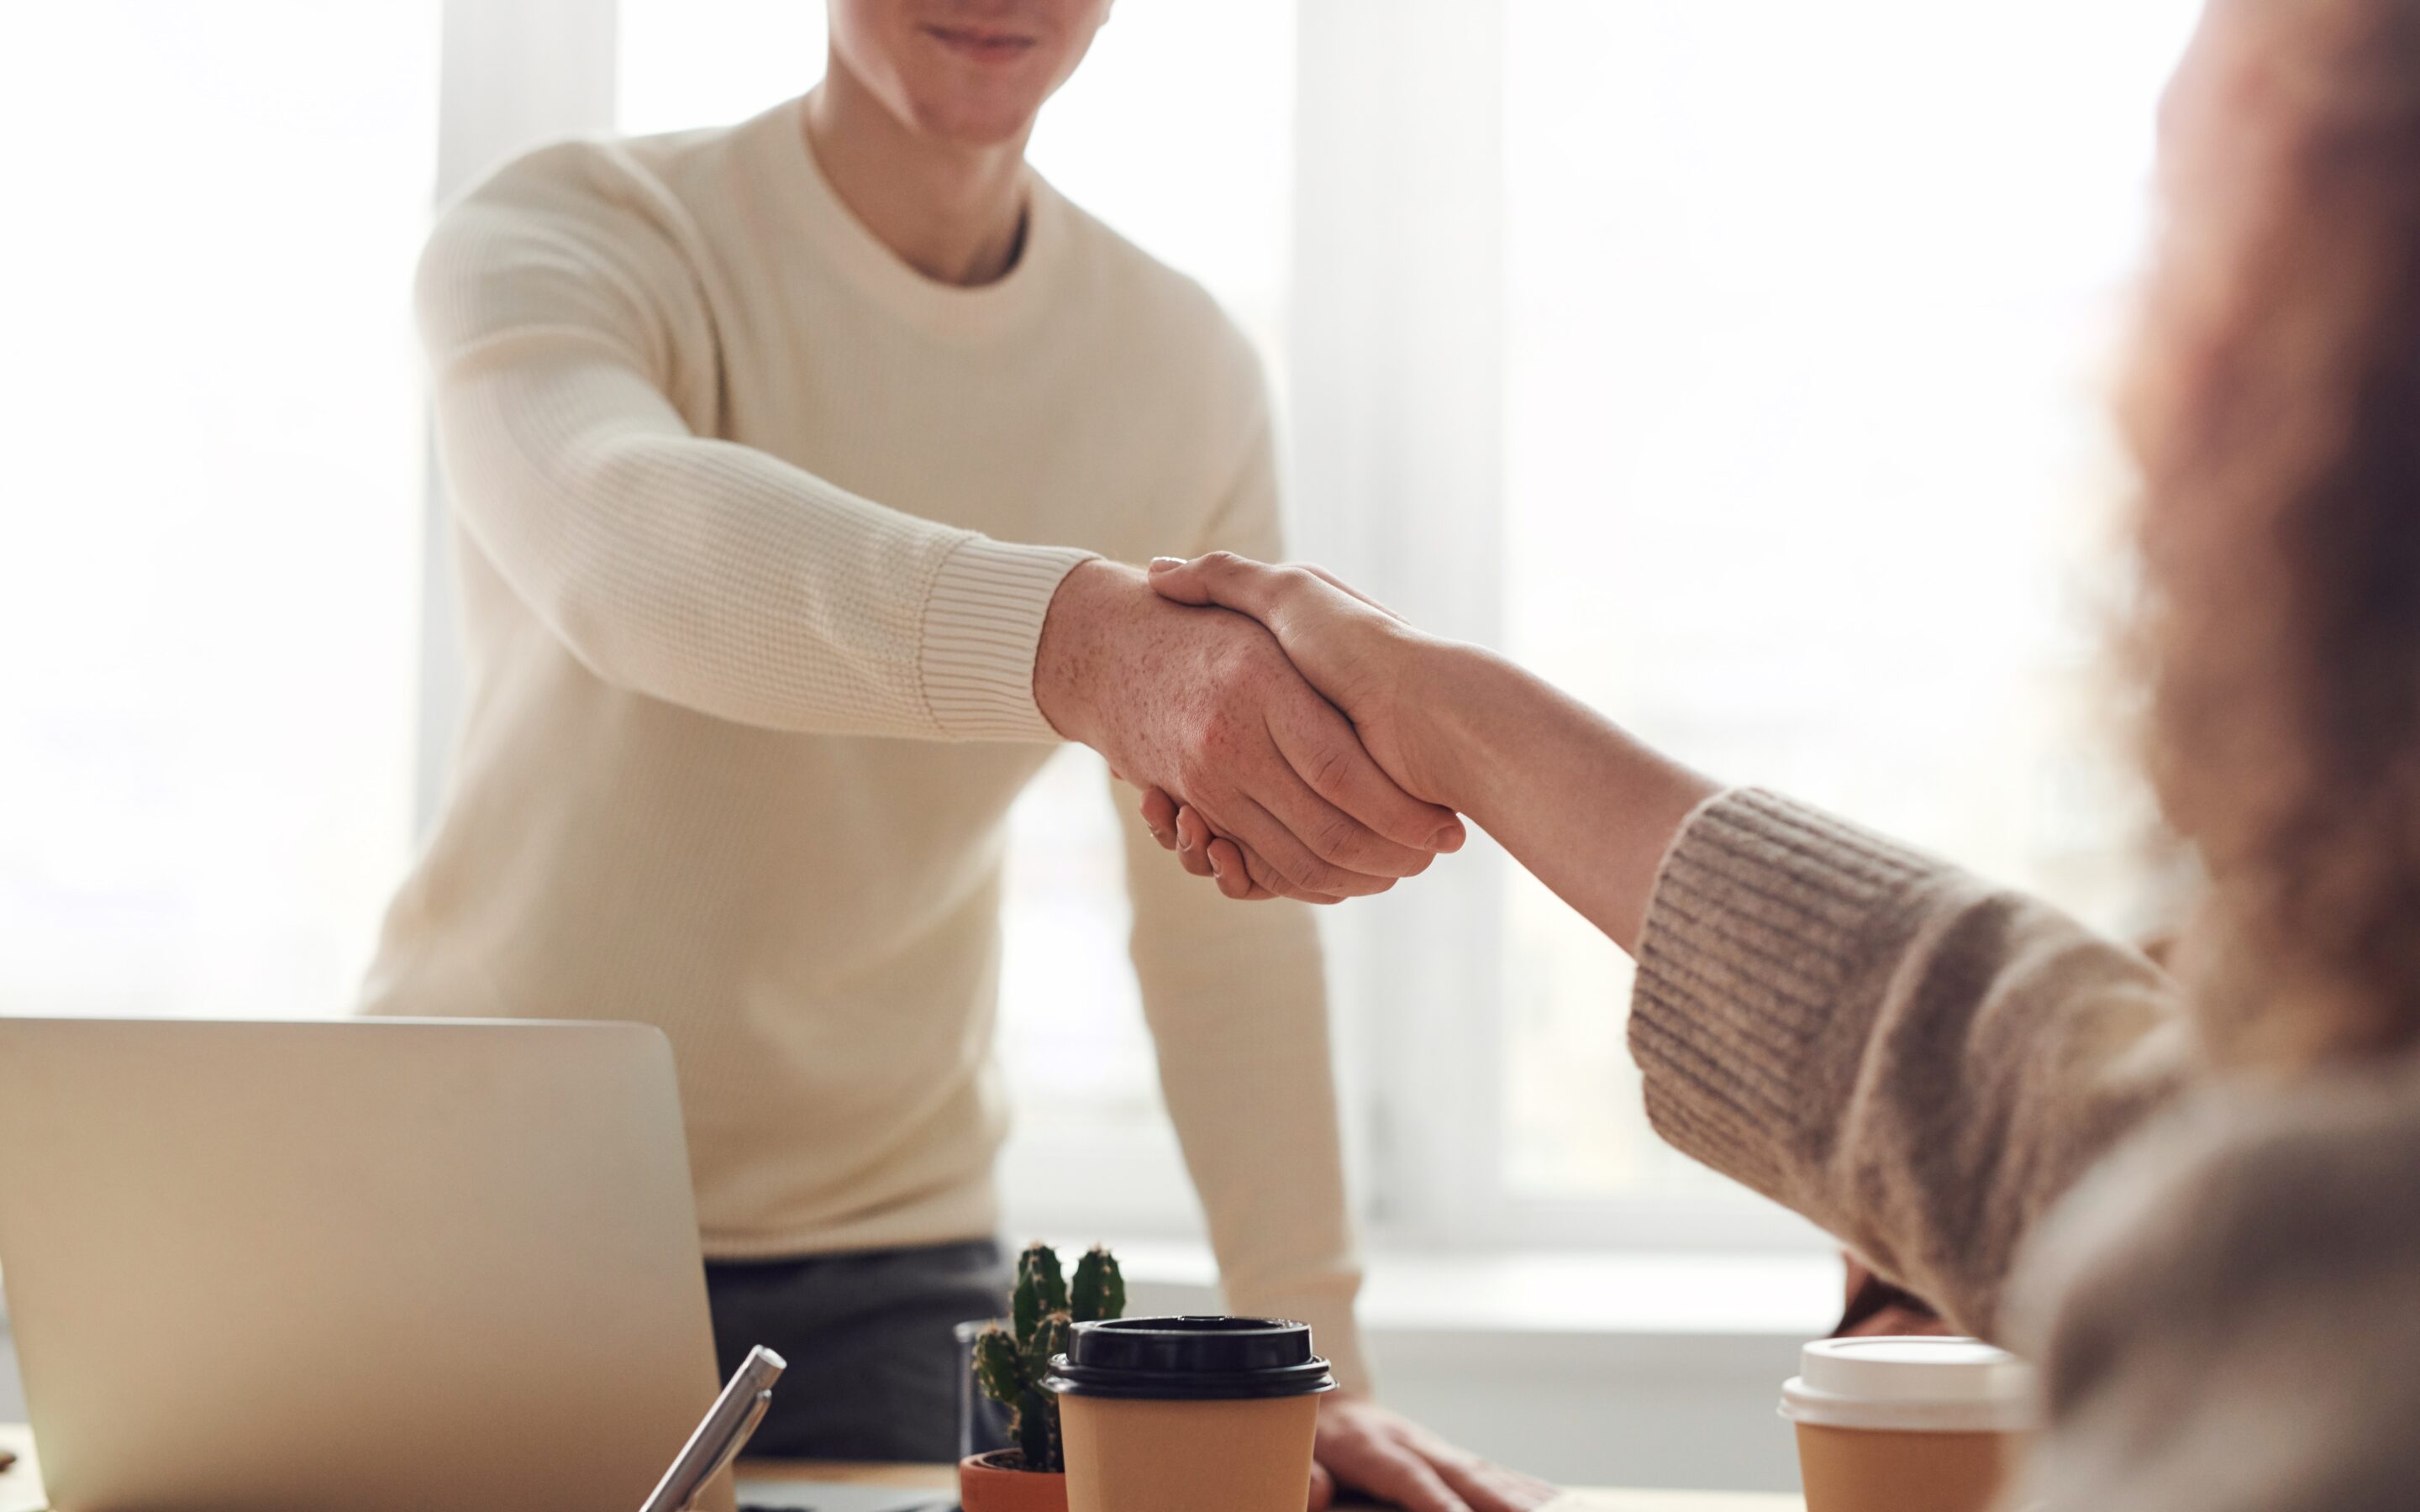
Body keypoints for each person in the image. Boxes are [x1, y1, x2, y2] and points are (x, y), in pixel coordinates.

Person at [1134, 0, 2420, 1504]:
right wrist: (1457, 718)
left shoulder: (2328, 1304)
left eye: (2196, 255)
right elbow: (2044, 1099)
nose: (2131, 388)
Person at [365, 3, 1544, 1505]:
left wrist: (1320, 1376)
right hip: (470, 1214)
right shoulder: (577, 229)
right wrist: (1085, 648)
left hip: (885, 1269)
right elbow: (624, 544)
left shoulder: (1175, 366)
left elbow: (1221, 927)